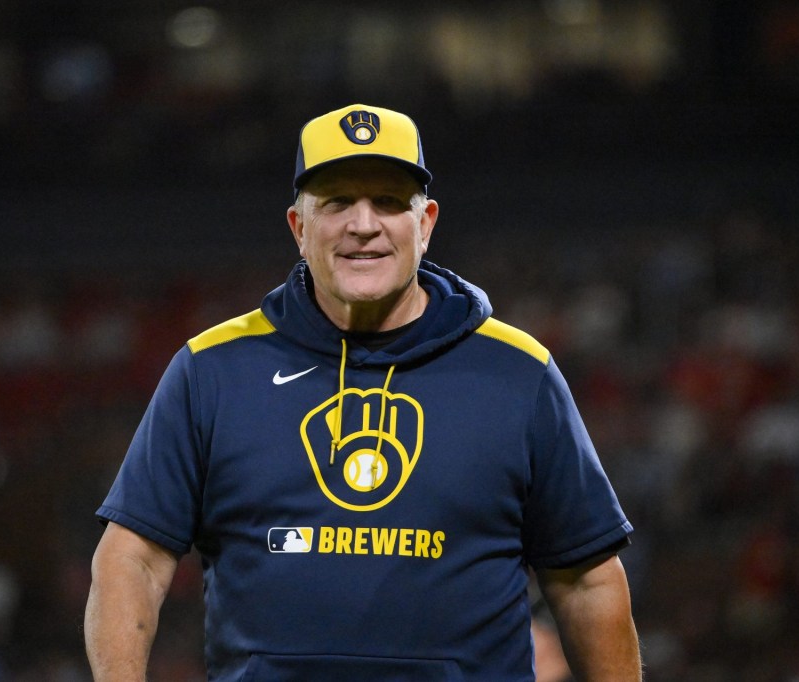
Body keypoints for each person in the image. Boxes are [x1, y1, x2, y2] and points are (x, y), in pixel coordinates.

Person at [84, 103, 642, 681]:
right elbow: (132, 559)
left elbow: (587, 581)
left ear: (425, 225)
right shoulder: (213, 369)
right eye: (337, 202)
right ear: (299, 228)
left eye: (389, 201)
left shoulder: (518, 372)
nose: (364, 224)